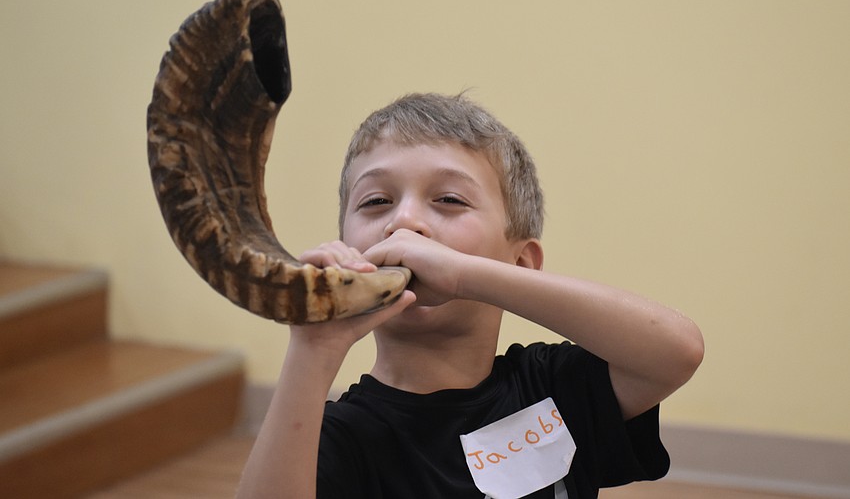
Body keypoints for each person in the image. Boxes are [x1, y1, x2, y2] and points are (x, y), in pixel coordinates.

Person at [236, 92, 704, 499]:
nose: (405, 223)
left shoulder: (552, 390)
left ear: (520, 264)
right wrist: (312, 351)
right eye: (376, 201)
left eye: (449, 200)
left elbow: (677, 349)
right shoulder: (337, 438)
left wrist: (463, 273)